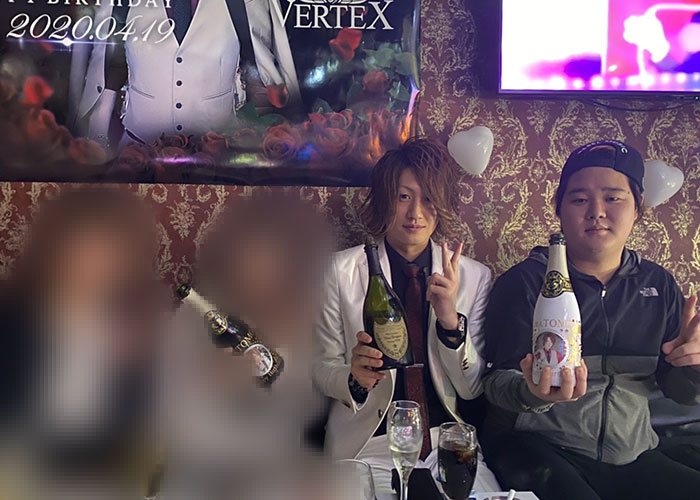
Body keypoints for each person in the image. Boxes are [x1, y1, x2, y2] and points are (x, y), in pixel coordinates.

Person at [481, 139, 700, 500]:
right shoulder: (525, 282)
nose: (596, 212)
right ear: (559, 207)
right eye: (580, 199)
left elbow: (680, 393)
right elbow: (494, 383)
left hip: (632, 453)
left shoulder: (658, 285)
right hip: (539, 448)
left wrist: (691, 369)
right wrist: (532, 393)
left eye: (613, 198)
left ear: (638, 207)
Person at [312, 136, 500, 492]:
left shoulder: (473, 277)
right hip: (371, 442)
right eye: (403, 197)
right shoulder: (339, 271)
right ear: (385, 200)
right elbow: (322, 369)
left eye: (429, 199)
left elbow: (471, 387)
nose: (416, 213)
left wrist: (450, 323)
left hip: (446, 441)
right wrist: (354, 377)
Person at [0, 187, 166, 497]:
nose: (97, 263)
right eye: (86, 247)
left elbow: (143, 452)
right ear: (53, 250)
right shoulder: (12, 324)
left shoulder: (142, 333)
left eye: (111, 249)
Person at [69, 0, 301, 149]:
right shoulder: (123, 2)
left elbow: (266, 70)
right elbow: (110, 67)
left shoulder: (244, 3)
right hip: (137, 152)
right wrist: (99, 140)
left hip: (219, 159)